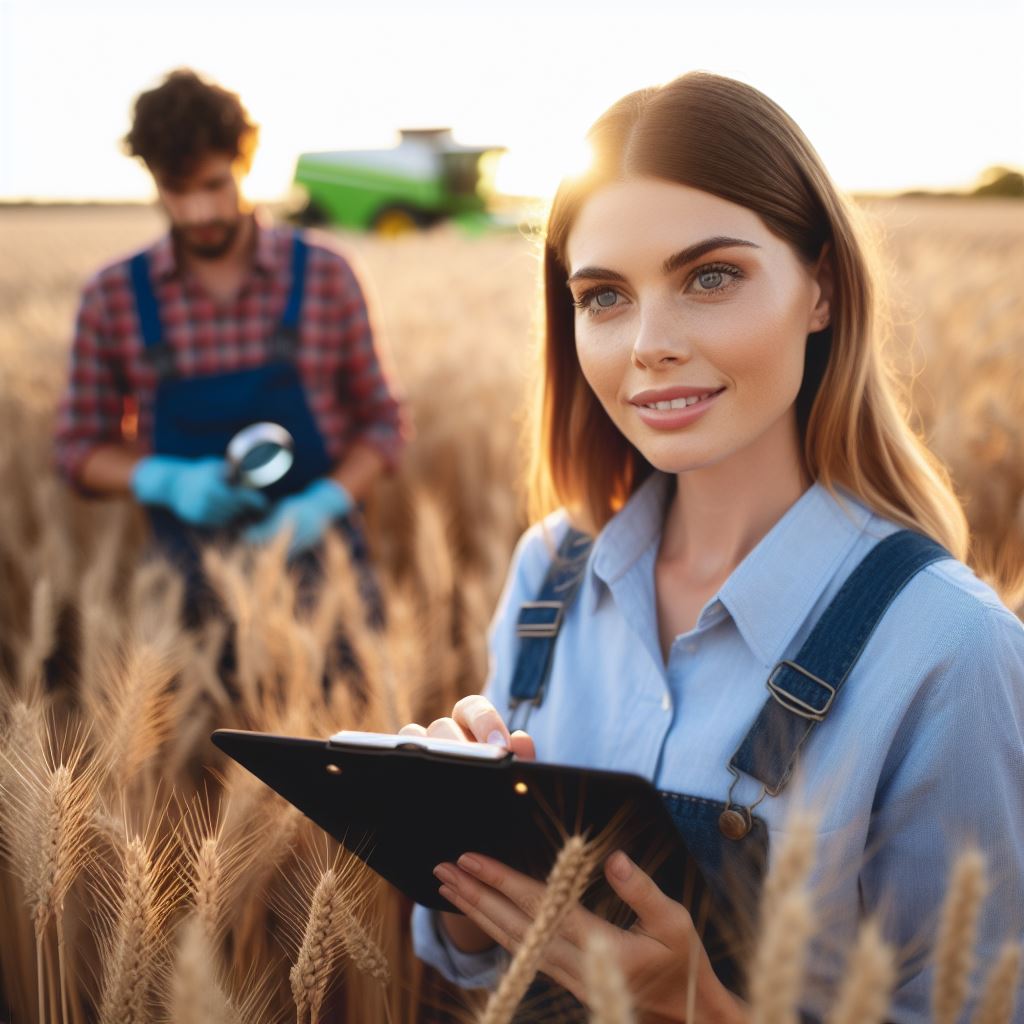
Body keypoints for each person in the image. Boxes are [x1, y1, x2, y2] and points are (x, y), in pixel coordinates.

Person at [403, 72, 1024, 1022]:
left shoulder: (949, 648)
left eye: (710, 277)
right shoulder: (549, 576)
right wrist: (472, 877)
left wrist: (705, 1010)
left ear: (820, 287)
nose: (649, 343)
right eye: (604, 296)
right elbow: (484, 972)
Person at [54, 69, 406, 624]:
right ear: (154, 181)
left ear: (244, 165)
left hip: (328, 582)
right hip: (184, 592)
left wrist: (323, 503)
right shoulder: (112, 296)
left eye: (214, 185)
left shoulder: (326, 276)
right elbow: (77, 449)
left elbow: (383, 423)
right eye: (178, 190)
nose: (200, 211)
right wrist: (165, 480)